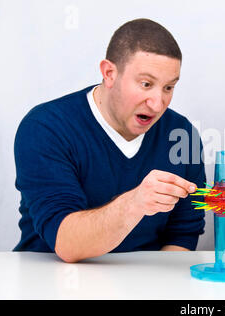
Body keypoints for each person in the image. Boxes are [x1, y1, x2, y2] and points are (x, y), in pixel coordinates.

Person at [14, 19, 206, 263]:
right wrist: (134, 204)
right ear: (109, 73)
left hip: (143, 284)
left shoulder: (182, 134)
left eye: (168, 87)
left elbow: (183, 233)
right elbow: (65, 243)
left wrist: (155, 288)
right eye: (146, 84)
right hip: (50, 282)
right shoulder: (46, 127)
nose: (158, 104)